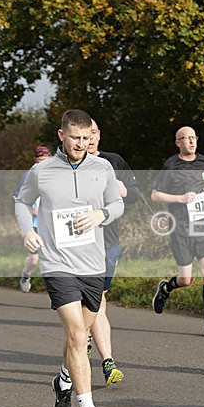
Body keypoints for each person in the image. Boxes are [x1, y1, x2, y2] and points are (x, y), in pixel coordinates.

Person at [14, 109, 124, 407]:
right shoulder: (43, 171)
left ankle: (63, 379)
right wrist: (26, 232)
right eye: (74, 138)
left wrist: (100, 214)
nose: (81, 144)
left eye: (86, 138)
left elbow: (117, 204)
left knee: (80, 334)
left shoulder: (102, 167)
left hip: (93, 263)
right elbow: (21, 202)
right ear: (62, 135)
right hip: (57, 263)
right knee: (78, 335)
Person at [150, 126, 204, 336]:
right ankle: (166, 288)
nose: (191, 142)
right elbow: (155, 195)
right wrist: (179, 199)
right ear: (178, 143)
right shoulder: (170, 165)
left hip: (202, 226)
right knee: (186, 280)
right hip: (181, 228)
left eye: (193, 138)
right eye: (186, 139)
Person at [83, 118, 139, 385]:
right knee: (97, 301)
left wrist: (126, 190)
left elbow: (136, 193)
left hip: (108, 242)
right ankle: (108, 362)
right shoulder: (69, 166)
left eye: (93, 132)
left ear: (99, 134)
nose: (90, 138)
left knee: (96, 300)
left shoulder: (113, 161)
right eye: (84, 134)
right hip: (79, 245)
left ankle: (87, 339)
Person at [16, 146, 53, 292]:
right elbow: (19, 200)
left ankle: (58, 292)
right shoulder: (28, 175)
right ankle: (26, 275)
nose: (42, 165)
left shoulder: (56, 175)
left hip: (50, 225)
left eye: (45, 161)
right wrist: (32, 210)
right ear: (34, 161)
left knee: (52, 259)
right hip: (34, 224)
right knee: (34, 259)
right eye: (39, 161)